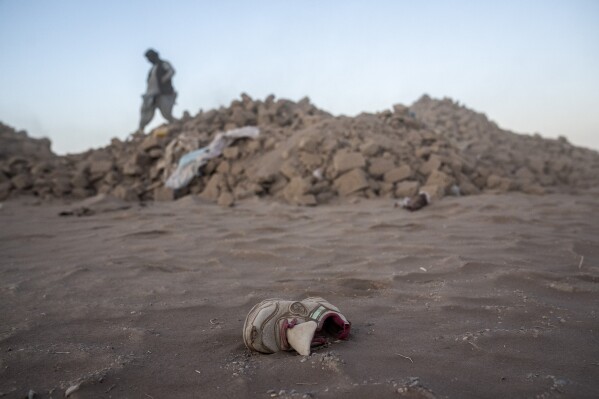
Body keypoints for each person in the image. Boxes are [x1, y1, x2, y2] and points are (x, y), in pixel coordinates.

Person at [138, 49, 177, 133]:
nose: (149, 60)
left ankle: (176, 125)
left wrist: (164, 79)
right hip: (151, 94)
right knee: (145, 112)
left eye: (150, 57)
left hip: (163, 93)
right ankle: (140, 131)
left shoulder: (163, 64)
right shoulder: (152, 69)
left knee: (166, 112)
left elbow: (171, 71)